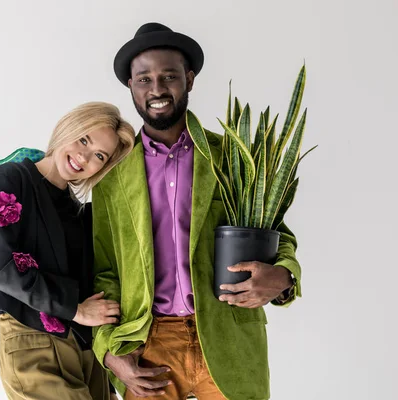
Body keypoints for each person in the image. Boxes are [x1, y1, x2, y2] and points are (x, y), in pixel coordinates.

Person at [91, 23, 302, 400]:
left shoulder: (232, 157)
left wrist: (284, 277)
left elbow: (277, 233)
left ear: (189, 80)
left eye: (169, 76)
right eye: (144, 79)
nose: (156, 89)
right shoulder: (111, 174)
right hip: (148, 341)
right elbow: (104, 268)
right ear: (130, 86)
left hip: (229, 333)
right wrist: (108, 351)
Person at [0, 102, 135, 400]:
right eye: (84, 139)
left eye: (99, 155)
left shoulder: (79, 212)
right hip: (33, 338)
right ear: (67, 127)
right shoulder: (11, 179)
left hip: (85, 349)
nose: (84, 156)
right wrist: (77, 309)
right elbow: (1, 266)